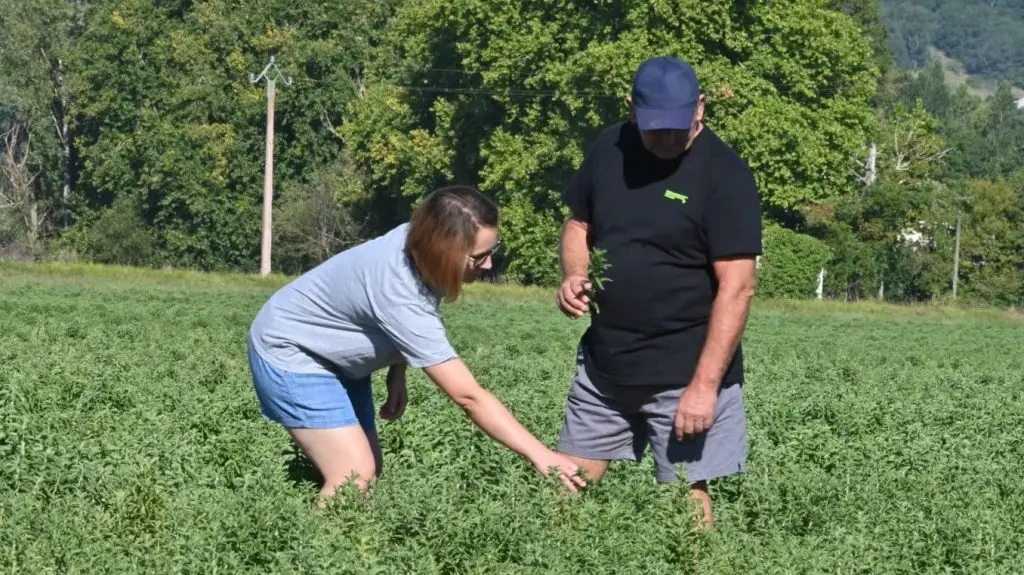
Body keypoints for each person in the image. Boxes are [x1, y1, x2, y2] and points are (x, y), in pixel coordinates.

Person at [247, 185, 585, 503]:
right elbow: (468, 397)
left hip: (334, 356)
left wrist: (397, 372)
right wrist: (541, 455)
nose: (489, 265)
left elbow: (384, 322)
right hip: (292, 351)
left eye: (491, 250)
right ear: (443, 251)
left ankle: (349, 549)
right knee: (352, 474)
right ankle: (314, 558)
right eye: (479, 257)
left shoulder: (422, 240)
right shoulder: (399, 292)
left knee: (366, 471)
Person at [553, 56, 762, 529]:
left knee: (685, 497)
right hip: (606, 367)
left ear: (700, 109)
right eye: (655, 129)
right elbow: (579, 223)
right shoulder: (610, 147)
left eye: (677, 127)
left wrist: (704, 389)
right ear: (631, 109)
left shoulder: (725, 176)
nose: (667, 139)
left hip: (684, 373)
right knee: (568, 483)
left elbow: (738, 288)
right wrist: (573, 274)